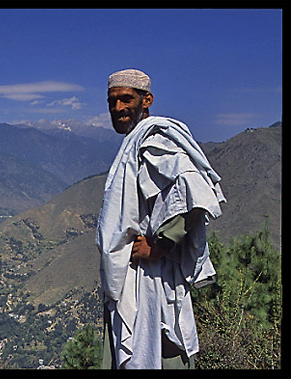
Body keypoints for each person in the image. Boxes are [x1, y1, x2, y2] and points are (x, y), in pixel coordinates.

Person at [96, 69, 226, 369]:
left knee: (159, 351)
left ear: (147, 99)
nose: (118, 108)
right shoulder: (137, 141)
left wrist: (161, 246)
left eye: (126, 99)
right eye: (112, 101)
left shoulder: (155, 138)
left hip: (152, 278)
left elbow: (195, 191)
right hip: (133, 276)